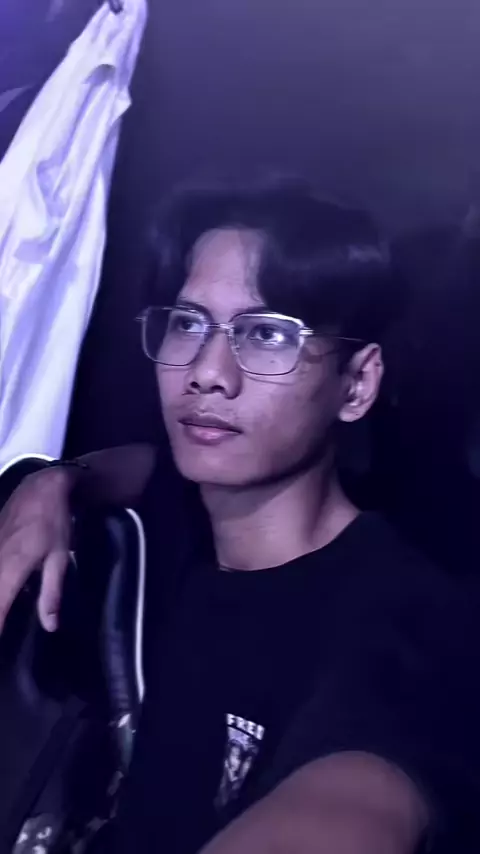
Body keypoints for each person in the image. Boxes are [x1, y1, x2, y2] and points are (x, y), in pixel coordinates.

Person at [0, 180, 479, 854]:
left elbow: (356, 797)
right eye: (188, 323)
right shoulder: (184, 524)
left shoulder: (409, 622)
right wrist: (52, 481)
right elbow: (146, 468)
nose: (207, 372)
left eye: (267, 335)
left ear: (357, 384)